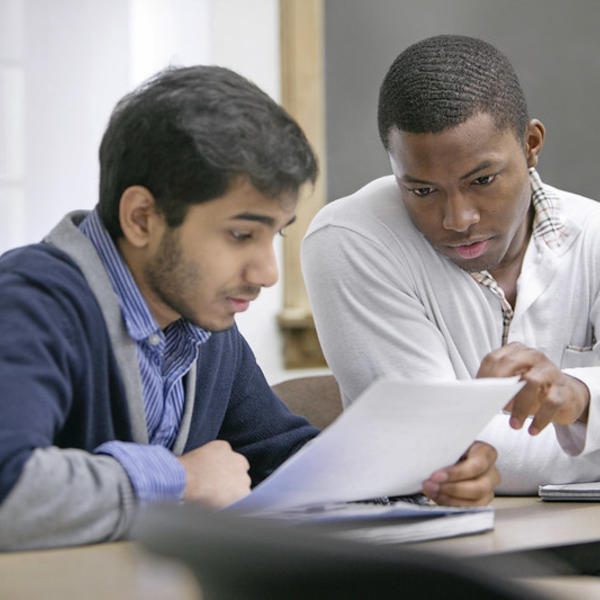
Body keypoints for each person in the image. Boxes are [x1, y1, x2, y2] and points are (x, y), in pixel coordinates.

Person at [0, 65, 320, 550]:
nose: (267, 273)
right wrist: (178, 481)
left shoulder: (204, 326)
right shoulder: (34, 299)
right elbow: (10, 487)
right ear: (142, 218)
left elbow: (287, 457)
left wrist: (429, 470)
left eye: (276, 234)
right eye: (240, 235)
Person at [302, 34, 600, 507]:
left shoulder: (596, 235)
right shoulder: (350, 239)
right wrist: (590, 426)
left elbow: (472, 448)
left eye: (481, 181)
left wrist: (581, 397)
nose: (457, 220)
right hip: (438, 553)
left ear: (531, 143)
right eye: (422, 191)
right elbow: (428, 448)